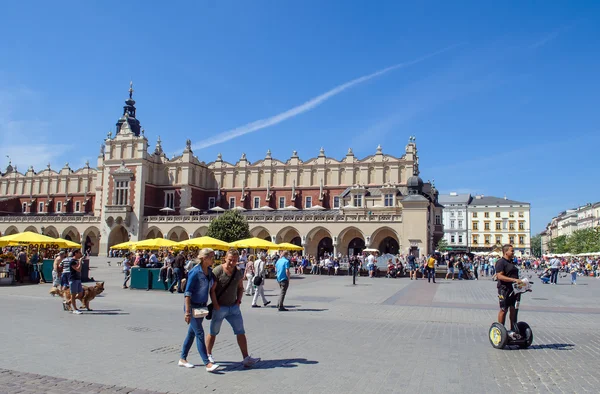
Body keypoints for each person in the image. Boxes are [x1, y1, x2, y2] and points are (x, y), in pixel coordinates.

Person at [205, 249, 260, 368]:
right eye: (230, 260)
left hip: (233, 308)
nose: (232, 262)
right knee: (213, 332)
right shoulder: (218, 271)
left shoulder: (238, 271)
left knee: (241, 332)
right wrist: (215, 305)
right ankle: (208, 355)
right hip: (220, 307)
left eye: (235, 260)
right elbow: (212, 290)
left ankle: (246, 358)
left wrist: (238, 301)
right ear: (225, 258)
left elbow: (240, 287)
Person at [179, 248, 219, 372]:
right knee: (200, 333)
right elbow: (187, 293)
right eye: (211, 257)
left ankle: (182, 359)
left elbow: (213, 285)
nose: (213, 259)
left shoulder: (210, 272)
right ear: (204, 258)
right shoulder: (195, 272)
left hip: (202, 306)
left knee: (192, 333)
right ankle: (207, 363)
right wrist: (187, 312)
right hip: (192, 307)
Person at [495, 244, 523, 339]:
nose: (513, 252)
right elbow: (499, 276)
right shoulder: (501, 262)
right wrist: (514, 280)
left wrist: (524, 286)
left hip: (515, 289)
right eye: (512, 251)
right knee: (504, 309)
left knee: (514, 309)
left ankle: (513, 330)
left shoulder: (512, 263)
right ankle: (500, 330)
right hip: (504, 289)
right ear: (506, 252)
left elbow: (516, 277)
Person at [67, 250, 84, 315]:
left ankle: (68, 302)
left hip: (78, 279)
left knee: (80, 293)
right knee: (73, 295)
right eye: (79, 253)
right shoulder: (72, 261)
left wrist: (79, 261)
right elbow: (78, 269)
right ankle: (75, 309)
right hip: (73, 279)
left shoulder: (76, 261)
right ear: (76, 253)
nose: (81, 254)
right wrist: (80, 261)